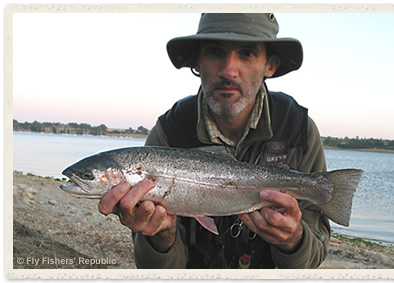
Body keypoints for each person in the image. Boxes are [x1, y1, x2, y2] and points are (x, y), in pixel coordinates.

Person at [98, 13, 330, 269]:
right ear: (197, 61)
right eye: (215, 51)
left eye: (247, 53)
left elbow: (315, 256)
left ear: (270, 66)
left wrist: (294, 241)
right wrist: (159, 237)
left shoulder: (299, 129)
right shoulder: (168, 132)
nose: (228, 70)